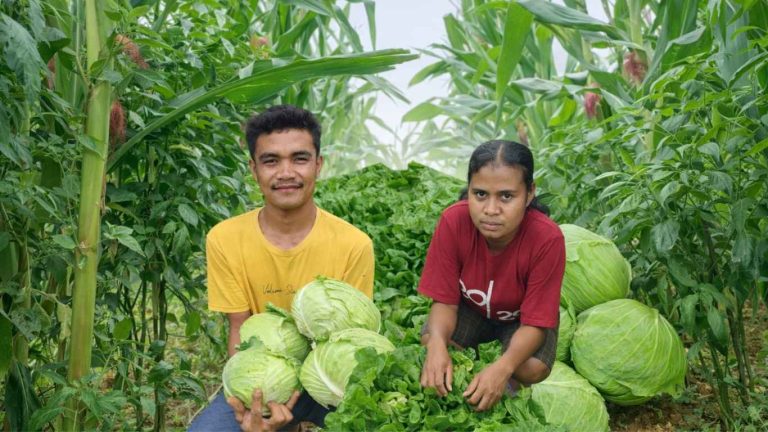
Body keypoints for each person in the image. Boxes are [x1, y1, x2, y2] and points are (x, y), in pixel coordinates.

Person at [189, 105, 375, 432]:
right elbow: (239, 327)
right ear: (253, 168)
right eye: (271, 161)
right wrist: (251, 402)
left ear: (318, 165)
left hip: (329, 376)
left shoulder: (353, 243)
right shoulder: (225, 238)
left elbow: (352, 335)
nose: (286, 172)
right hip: (266, 378)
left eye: (299, 159)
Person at [418, 140, 565, 412]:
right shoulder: (453, 222)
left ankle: (505, 389)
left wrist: (503, 367)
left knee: (532, 367)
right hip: (471, 309)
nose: (491, 209)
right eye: (480, 194)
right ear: (469, 190)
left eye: (506, 196)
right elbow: (446, 303)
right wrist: (437, 344)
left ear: (529, 193)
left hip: (521, 320)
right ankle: (469, 375)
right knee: (431, 340)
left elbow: (535, 324)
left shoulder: (547, 239)